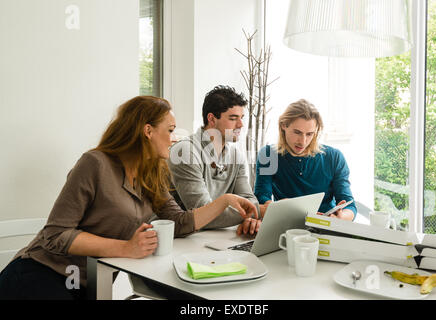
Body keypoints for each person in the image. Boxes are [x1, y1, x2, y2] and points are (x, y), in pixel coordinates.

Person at [0, 96, 257, 300]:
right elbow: (56, 235)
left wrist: (225, 200)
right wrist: (125, 248)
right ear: (147, 131)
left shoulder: (152, 170)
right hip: (40, 273)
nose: (174, 138)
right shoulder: (95, 164)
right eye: (169, 130)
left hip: (91, 282)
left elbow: (178, 222)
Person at [168, 85, 267, 234]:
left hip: (221, 237)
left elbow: (249, 201)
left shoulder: (236, 156)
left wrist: (251, 217)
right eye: (233, 118)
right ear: (212, 119)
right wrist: (259, 211)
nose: (241, 125)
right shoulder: (185, 152)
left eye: (241, 118)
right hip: (185, 240)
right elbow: (201, 214)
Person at [254, 99, 357, 221]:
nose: (303, 141)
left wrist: (341, 218)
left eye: (309, 134)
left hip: (325, 226)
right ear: (283, 125)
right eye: (297, 132)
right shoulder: (268, 154)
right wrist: (277, 207)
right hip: (285, 223)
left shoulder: (334, 157)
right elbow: (262, 197)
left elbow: (349, 205)